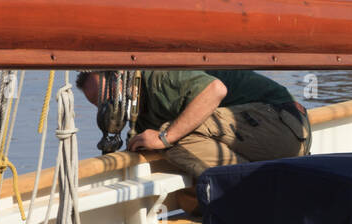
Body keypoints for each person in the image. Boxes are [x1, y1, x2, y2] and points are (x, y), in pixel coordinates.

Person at [76, 69, 311, 181]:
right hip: (267, 137)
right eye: (100, 104)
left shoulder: (159, 75)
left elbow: (215, 90)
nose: (109, 106)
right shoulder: (141, 111)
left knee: (171, 136)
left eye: (109, 96)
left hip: (284, 124)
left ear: (121, 75)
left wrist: (164, 137)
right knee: (161, 139)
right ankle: (254, 185)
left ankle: (248, 190)